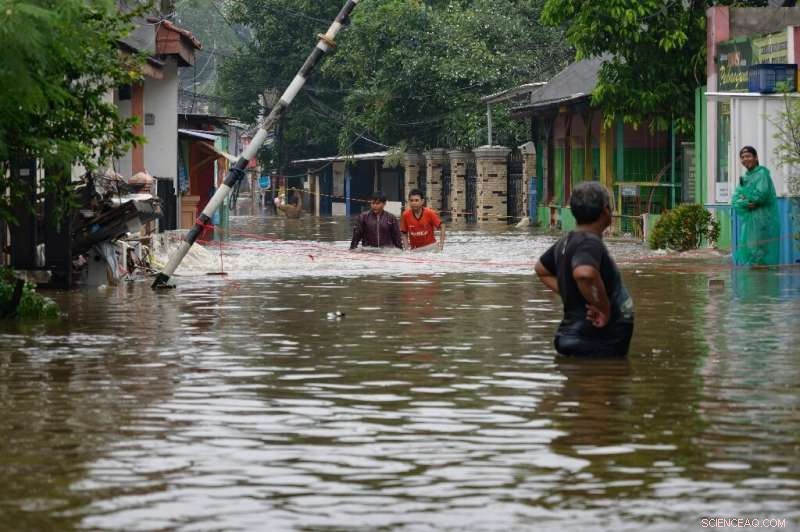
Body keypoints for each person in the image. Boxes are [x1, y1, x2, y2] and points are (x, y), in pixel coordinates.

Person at [534, 182, 634, 357]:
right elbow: (584, 274)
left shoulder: (566, 241)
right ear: (605, 211)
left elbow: (541, 269)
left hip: (576, 338)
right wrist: (603, 308)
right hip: (595, 342)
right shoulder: (589, 242)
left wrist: (570, 292)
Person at [732, 146, 780, 266]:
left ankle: (762, 276)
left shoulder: (762, 174)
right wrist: (746, 202)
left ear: (756, 157)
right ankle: (755, 276)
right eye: (742, 157)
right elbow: (735, 200)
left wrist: (745, 197)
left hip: (762, 219)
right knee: (750, 251)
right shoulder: (744, 178)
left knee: (760, 251)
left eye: (748, 156)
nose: (745, 159)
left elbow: (760, 196)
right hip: (749, 222)